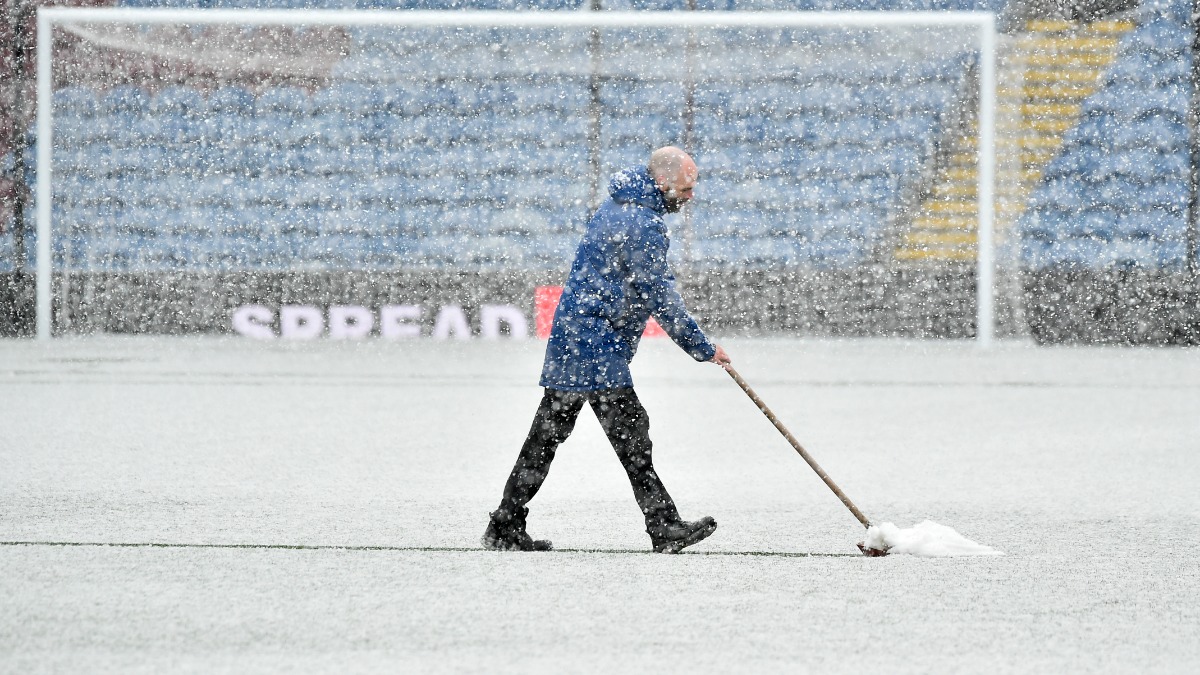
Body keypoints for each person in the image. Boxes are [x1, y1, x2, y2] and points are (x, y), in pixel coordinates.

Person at [482, 146, 731, 554]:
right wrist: (702, 347)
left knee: (546, 437)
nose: (691, 196)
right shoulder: (642, 224)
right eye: (686, 188)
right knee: (631, 435)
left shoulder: (617, 206)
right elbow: (659, 296)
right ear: (662, 181)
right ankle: (664, 526)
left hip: (574, 337)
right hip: (595, 345)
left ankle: (505, 524)